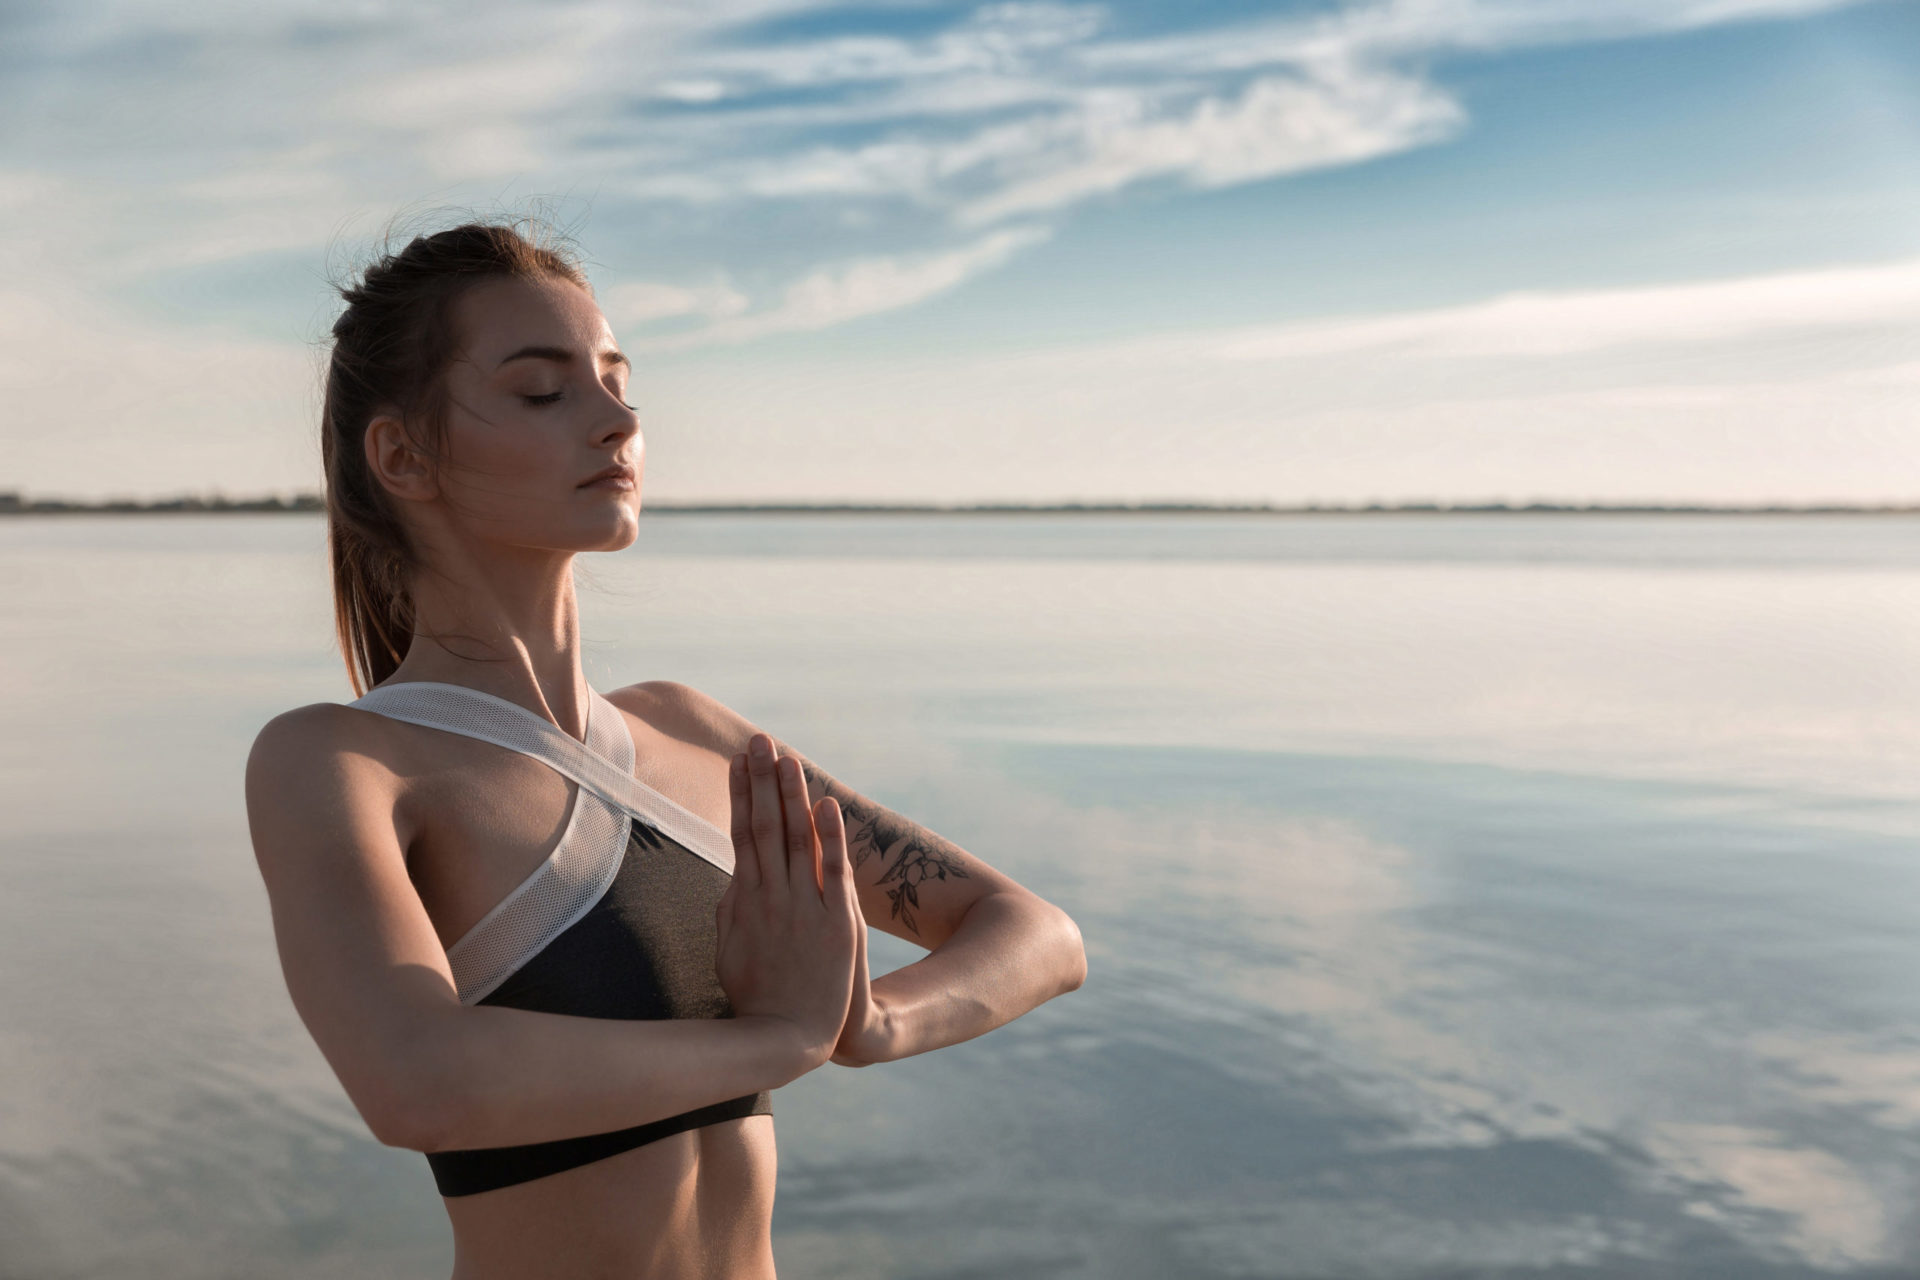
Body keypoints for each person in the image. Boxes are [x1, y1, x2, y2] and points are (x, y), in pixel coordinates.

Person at [243, 221, 1087, 1279]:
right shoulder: (344, 761)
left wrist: (866, 1020)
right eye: (545, 392)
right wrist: (775, 1040)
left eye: (617, 381)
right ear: (403, 454)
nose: (619, 421)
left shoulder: (691, 733)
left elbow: (1039, 933)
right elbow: (417, 1079)